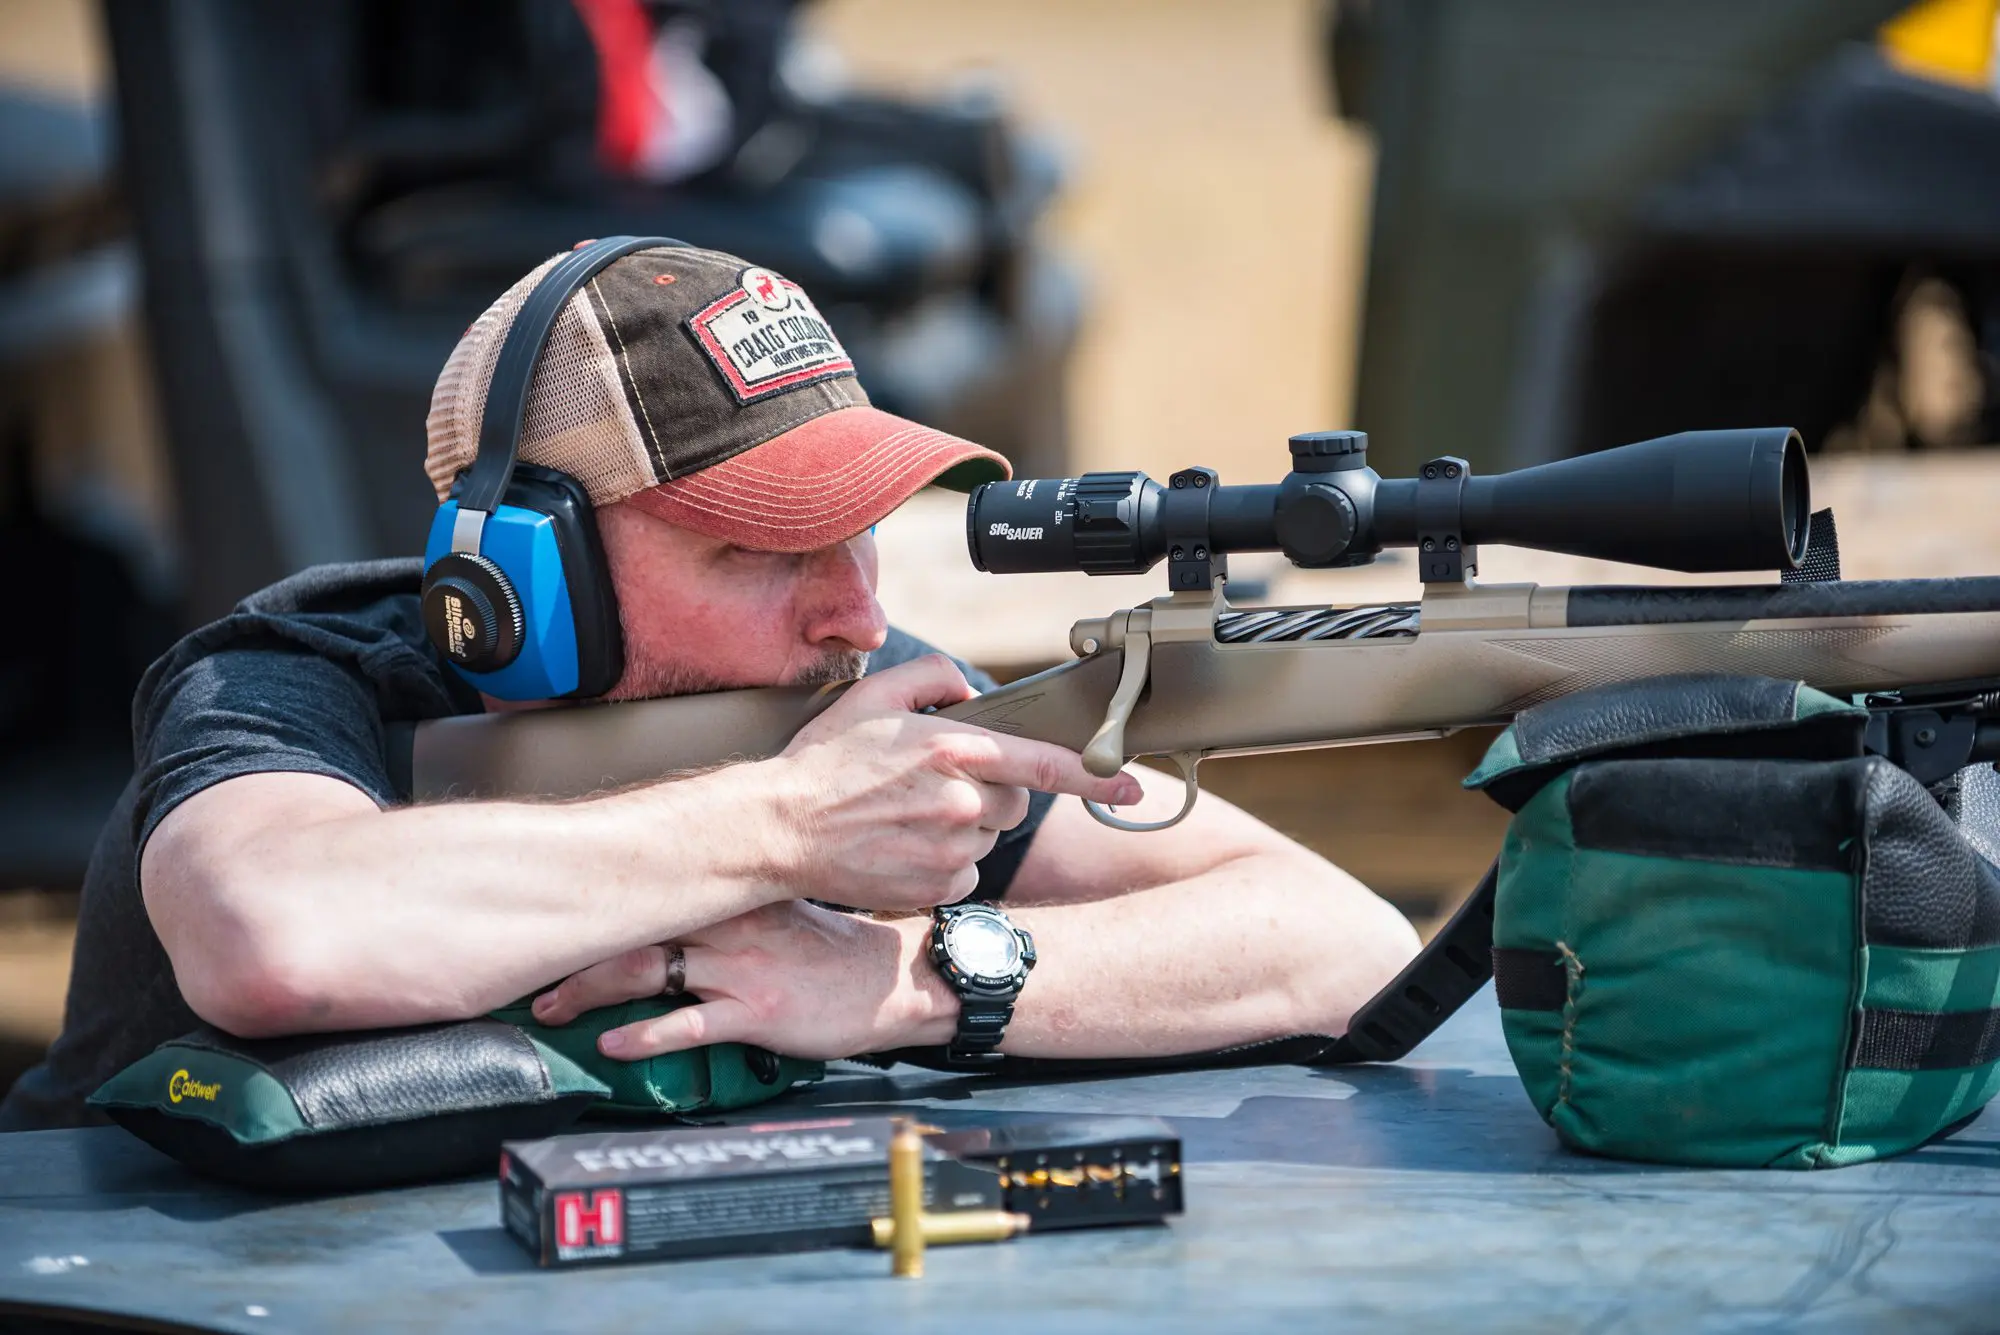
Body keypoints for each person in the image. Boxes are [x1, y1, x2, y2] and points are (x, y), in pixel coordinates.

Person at [0, 243, 1418, 1129]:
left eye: (858, 531)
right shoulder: (293, 689)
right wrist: (786, 828)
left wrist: (910, 979)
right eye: (762, 551)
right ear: (524, 577)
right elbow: (278, 936)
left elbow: (1336, 936)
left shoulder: (852, 689)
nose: (856, 612)